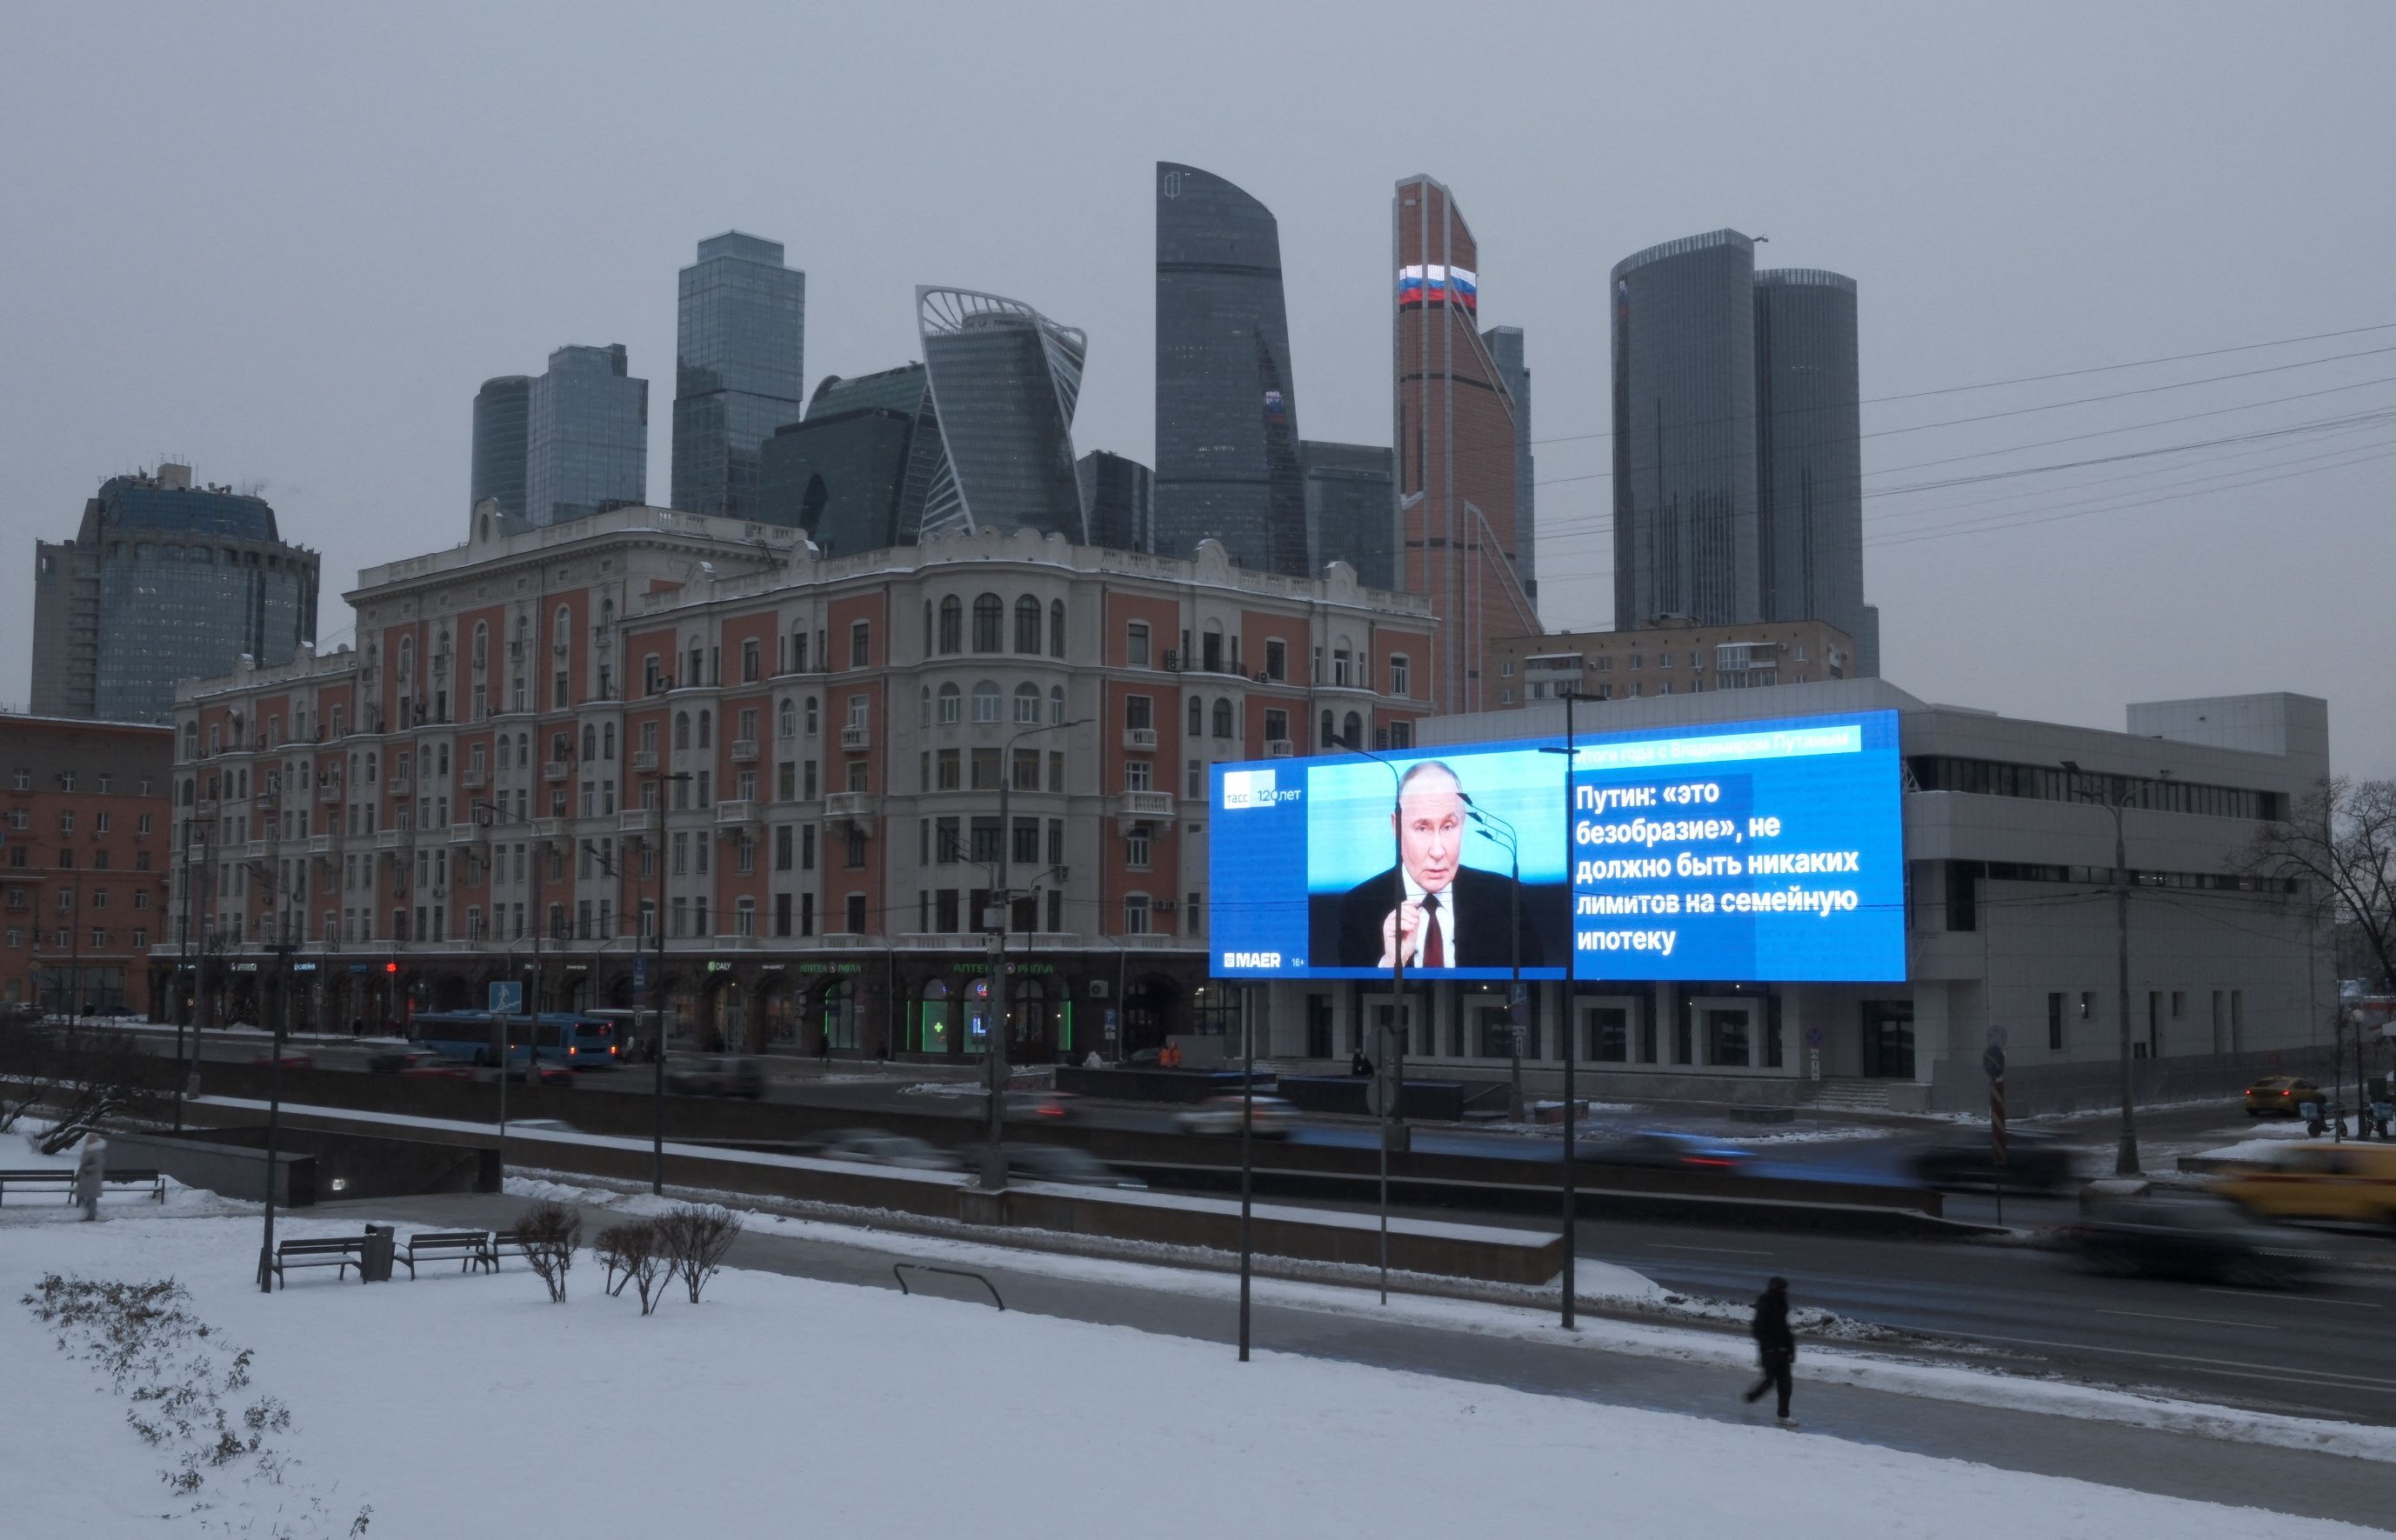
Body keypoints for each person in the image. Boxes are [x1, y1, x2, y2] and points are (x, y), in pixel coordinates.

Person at [1331, 761, 1543, 970]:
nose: (1437, 851)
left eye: (1448, 826)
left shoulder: (1504, 897)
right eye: (1422, 828)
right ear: (1396, 826)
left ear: (1464, 824)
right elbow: (1351, 994)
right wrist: (1391, 963)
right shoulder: (1358, 906)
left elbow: (1533, 981)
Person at [1742, 1276, 1797, 1425]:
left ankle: (1783, 1415)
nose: (1783, 1292)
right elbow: (1758, 1329)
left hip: (1782, 1350)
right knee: (1771, 1380)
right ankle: (1752, 1396)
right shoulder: (1766, 1303)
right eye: (1781, 1289)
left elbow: (1785, 1329)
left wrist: (1791, 1349)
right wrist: (1769, 1346)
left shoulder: (1780, 1304)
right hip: (1771, 1351)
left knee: (1784, 1383)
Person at [73, 1130, 108, 1222]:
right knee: (82, 1196)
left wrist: (85, 1169)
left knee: (91, 1198)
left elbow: (98, 1165)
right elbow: (83, 1163)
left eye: (89, 1138)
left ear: (94, 1140)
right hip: (85, 1178)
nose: (87, 1139)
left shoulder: (96, 1151)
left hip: (93, 1178)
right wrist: (80, 1172)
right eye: (88, 1138)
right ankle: (91, 1213)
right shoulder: (88, 1149)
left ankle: (91, 1215)